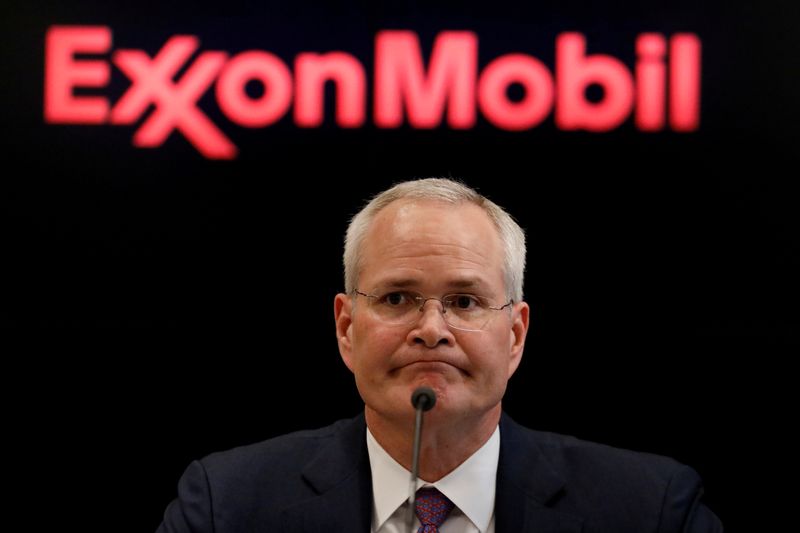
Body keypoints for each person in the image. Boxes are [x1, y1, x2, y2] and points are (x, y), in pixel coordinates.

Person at [156, 178, 722, 532]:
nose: (432, 329)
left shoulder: (650, 510)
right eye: (397, 298)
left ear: (516, 335)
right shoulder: (225, 505)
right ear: (346, 328)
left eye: (465, 301)